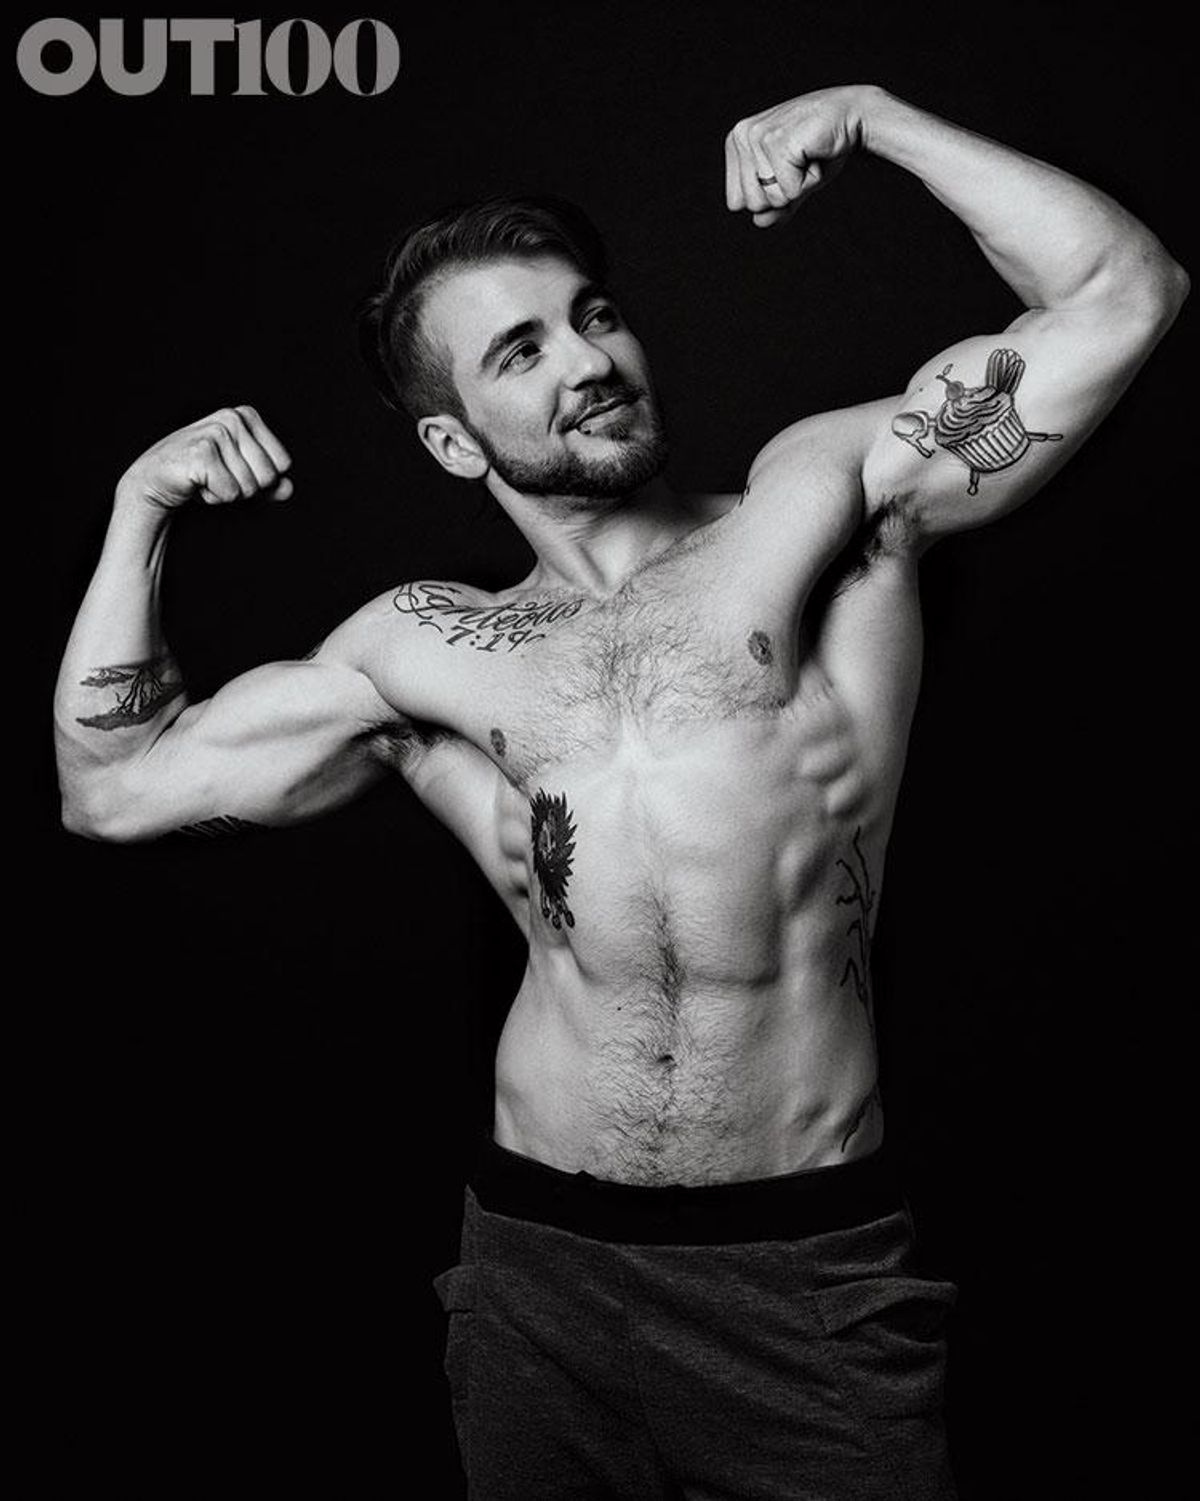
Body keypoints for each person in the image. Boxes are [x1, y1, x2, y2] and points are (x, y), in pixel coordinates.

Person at [53, 83, 1186, 1499]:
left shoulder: (818, 510)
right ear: (455, 441)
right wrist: (140, 511)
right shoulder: (426, 647)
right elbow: (115, 787)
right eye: (521, 351)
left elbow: (1122, 293)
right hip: (534, 1280)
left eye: (594, 316)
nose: (588, 360)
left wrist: (876, 118)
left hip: (799, 1277)